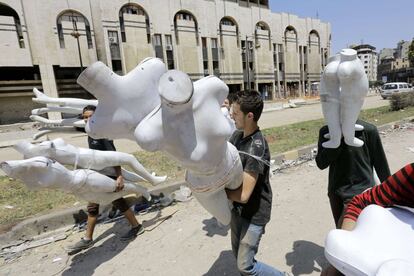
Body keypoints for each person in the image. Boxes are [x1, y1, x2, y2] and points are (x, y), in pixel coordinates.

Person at [66, 105, 144, 255]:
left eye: (91, 117)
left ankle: (135, 227)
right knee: (96, 205)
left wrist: (119, 176)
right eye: (85, 117)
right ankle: (88, 238)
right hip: (96, 174)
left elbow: (114, 156)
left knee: (114, 202)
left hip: (109, 175)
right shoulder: (91, 133)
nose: (88, 120)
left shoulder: (103, 135)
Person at [226, 90, 288, 276]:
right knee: (238, 256)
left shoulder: (257, 147)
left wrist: (215, 192)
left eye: (235, 113)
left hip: (254, 214)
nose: (231, 116)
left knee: (245, 266)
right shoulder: (237, 137)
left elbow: (244, 195)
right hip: (237, 211)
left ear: (250, 116)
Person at [322, 163, 414, 276]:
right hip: (339, 190)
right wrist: (343, 258)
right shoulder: (410, 177)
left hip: (362, 183)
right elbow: (321, 163)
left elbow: (379, 160)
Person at [315, 119, 391, 228]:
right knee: (342, 233)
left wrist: (390, 194)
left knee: (354, 233)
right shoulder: (326, 131)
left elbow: (381, 164)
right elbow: (321, 163)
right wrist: (336, 141)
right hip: (336, 192)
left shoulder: (368, 130)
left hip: (361, 192)